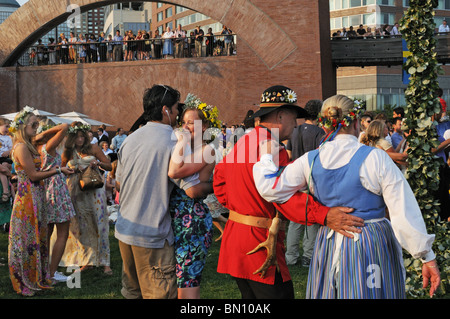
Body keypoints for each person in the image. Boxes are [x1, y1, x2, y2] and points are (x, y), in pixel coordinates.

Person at [252, 94, 440, 299]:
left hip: (328, 242)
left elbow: (270, 187)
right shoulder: (375, 158)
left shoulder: (311, 160)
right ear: (357, 123)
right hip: (370, 242)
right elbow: (402, 210)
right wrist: (426, 256)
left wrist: (266, 156)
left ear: (324, 126)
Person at [213, 86, 365, 299]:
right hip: (259, 244)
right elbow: (285, 199)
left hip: (236, 239)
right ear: (280, 115)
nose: (296, 124)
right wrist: (325, 215)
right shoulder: (274, 149)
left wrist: (242, 205)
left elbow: (219, 182)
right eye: (294, 117)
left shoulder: (244, 142)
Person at [115, 84, 186, 299]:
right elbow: (190, 188)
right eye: (176, 109)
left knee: (132, 292)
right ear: (166, 110)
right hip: (153, 233)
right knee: (160, 294)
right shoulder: (175, 140)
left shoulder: (130, 139)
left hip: (126, 230)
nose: (178, 114)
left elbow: (119, 184)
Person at [8, 106, 74, 296]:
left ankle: (38, 275)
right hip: (27, 197)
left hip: (37, 195)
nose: (37, 128)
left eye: (38, 125)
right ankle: (25, 279)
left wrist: (35, 129)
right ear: (22, 127)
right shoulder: (21, 147)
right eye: (33, 125)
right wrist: (59, 170)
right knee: (27, 238)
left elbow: (62, 127)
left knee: (38, 237)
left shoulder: (28, 143)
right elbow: (34, 175)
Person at [168, 104, 217, 299]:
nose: (186, 127)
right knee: (175, 279)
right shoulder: (185, 149)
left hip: (192, 222)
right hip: (175, 219)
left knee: (187, 281)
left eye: (192, 123)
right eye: (184, 123)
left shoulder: (207, 150)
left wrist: (180, 140)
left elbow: (173, 172)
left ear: (204, 126)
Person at [60, 122, 112, 275]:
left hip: (94, 191)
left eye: (83, 136)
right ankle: (87, 260)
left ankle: (105, 262)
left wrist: (98, 163)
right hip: (75, 191)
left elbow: (109, 166)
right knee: (81, 225)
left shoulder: (93, 148)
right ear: (72, 137)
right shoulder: (67, 152)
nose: (80, 139)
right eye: (77, 136)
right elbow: (61, 170)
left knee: (100, 223)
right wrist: (74, 169)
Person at [284, 99, 325, 268]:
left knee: (295, 219)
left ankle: (291, 256)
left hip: (295, 177)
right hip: (312, 177)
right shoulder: (319, 132)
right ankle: (308, 255)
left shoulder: (295, 130)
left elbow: (288, 154)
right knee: (312, 219)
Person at [35, 123, 76, 283]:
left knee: (46, 233)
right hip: (56, 189)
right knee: (62, 233)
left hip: (44, 188)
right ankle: (51, 274)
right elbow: (65, 126)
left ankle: (43, 271)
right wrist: (46, 133)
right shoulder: (48, 146)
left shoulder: (33, 148)